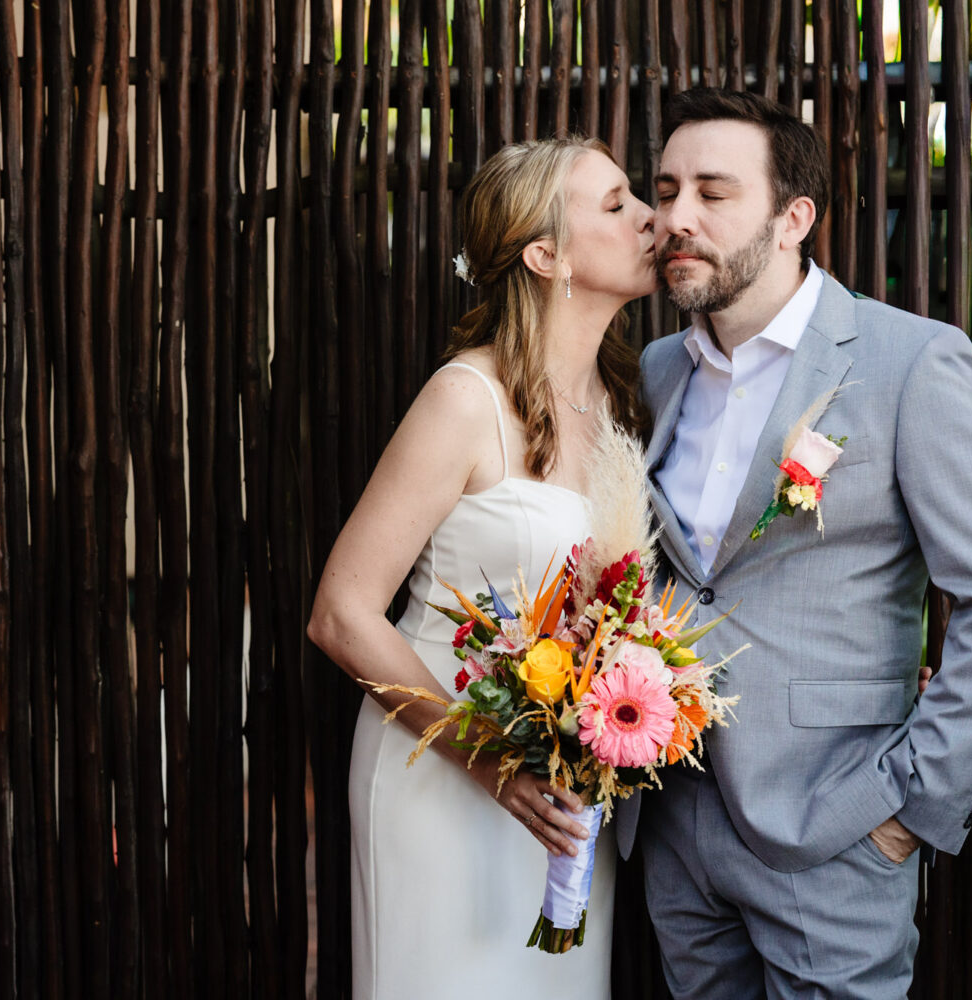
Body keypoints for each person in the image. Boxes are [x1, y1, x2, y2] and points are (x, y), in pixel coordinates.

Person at [625, 87, 972, 998]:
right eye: (665, 188)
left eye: (713, 191)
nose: (675, 218)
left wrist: (910, 810)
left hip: (835, 823)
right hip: (673, 823)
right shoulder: (656, 371)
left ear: (792, 218)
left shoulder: (909, 362)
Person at [307, 137, 658, 998]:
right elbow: (342, 613)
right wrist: (492, 762)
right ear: (546, 254)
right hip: (446, 780)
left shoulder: (620, 400)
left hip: (566, 797)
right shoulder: (466, 399)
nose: (653, 217)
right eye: (615, 206)